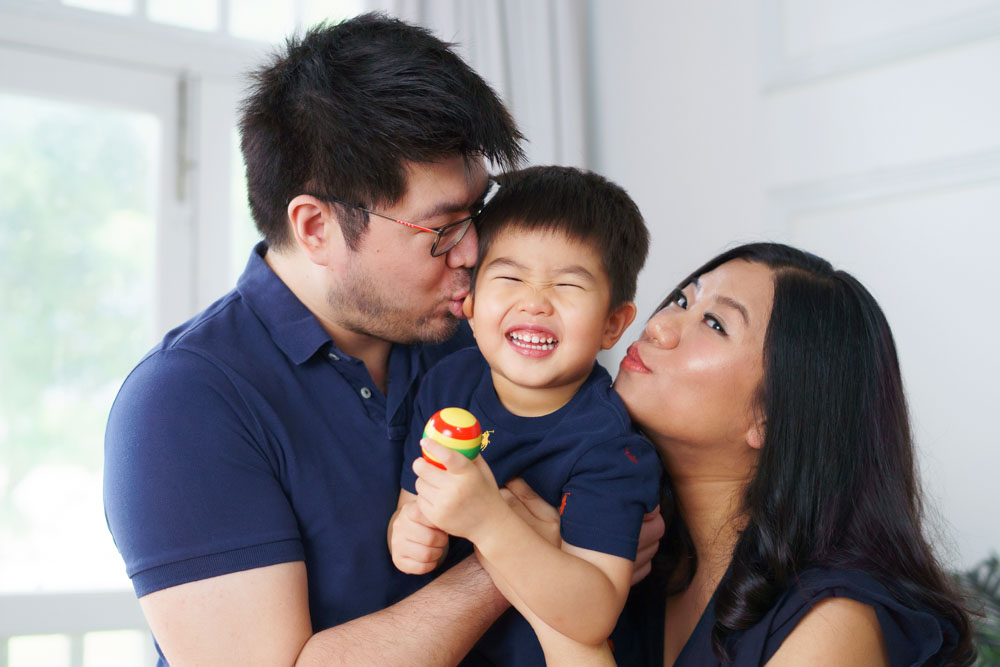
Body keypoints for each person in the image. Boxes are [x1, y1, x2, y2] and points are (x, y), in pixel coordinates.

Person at [103, 14, 670, 666]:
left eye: (476, 215)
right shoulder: (185, 402)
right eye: (442, 229)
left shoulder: (479, 339)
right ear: (316, 227)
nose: (475, 253)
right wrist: (520, 552)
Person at [607, 242, 976, 665]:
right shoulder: (637, 552)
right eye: (681, 299)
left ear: (771, 416)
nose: (659, 326)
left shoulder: (833, 624)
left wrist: (568, 608)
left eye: (713, 323)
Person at [388, 166, 661, 665]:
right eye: (510, 277)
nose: (534, 303)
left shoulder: (611, 449)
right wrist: (409, 531)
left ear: (613, 324)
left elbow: (593, 614)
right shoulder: (446, 384)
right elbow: (414, 498)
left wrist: (490, 522)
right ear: (469, 297)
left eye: (568, 286)